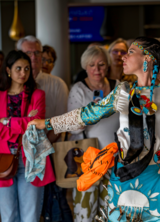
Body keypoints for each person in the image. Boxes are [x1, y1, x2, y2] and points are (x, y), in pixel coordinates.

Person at [28, 37, 160, 222]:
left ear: (147, 59)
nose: (123, 57)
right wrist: (48, 123)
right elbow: (86, 115)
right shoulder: (123, 91)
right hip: (124, 178)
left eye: (130, 52)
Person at [16, 36, 71, 222]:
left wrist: (41, 148)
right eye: (27, 53)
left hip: (48, 153)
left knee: (47, 208)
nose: (33, 57)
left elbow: (62, 122)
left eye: (37, 53)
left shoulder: (57, 84)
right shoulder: (9, 87)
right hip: (15, 155)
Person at [0, 50, 55, 222]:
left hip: (30, 159)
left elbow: (37, 125)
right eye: (18, 68)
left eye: (26, 69)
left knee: (30, 218)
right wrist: (26, 121)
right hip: (3, 159)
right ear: (8, 70)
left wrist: (7, 122)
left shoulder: (37, 95)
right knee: (9, 217)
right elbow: (29, 124)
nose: (23, 73)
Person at [68, 45, 119, 221]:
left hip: (113, 159)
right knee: (86, 212)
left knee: (111, 211)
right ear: (85, 66)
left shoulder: (117, 87)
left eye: (101, 64)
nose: (96, 69)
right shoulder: (79, 90)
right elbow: (73, 127)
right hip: (87, 160)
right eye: (92, 65)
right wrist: (93, 113)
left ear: (108, 65)